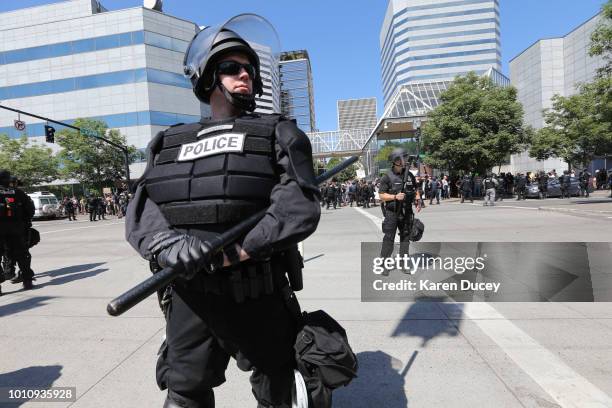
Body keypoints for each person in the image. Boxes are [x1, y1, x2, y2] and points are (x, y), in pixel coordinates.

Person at [125, 17, 322, 408]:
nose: (244, 74)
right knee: (184, 391)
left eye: (249, 68)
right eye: (231, 68)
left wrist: (236, 252)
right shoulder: (167, 141)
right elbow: (141, 208)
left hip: (257, 290)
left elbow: (297, 206)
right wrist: (167, 245)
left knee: (279, 389)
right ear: (207, 76)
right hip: (189, 294)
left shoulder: (279, 132)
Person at [378, 149, 421, 276]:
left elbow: (415, 189)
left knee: (405, 238)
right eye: (402, 158)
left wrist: (417, 198)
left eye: (405, 158)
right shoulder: (387, 177)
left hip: (407, 211)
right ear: (396, 161)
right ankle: (384, 263)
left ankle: (403, 263)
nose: (405, 161)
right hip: (392, 212)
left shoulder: (409, 175)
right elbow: (381, 195)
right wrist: (394, 197)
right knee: (389, 238)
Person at [0, 170, 35, 294]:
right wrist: (24, 222)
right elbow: (30, 209)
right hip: (16, 228)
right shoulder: (18, 192)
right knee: (22, 255)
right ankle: (27, 280)